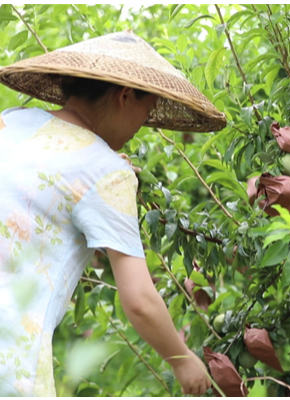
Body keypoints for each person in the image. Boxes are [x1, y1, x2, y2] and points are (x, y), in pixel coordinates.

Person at [0, 31, 226, 397]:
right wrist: (182, 360)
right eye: (147, 109)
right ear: (124, 96)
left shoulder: (10, 122)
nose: (143, 124)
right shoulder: (105, 171)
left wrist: (101, 169)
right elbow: (138, 299)